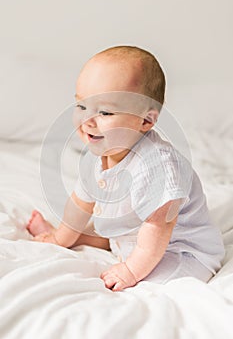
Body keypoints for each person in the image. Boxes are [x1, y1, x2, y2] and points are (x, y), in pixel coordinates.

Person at [27, 46, 225, 291]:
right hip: (132, 238)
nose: (87, 120)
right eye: (81, 106)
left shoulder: (156, 166)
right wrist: (60, 239)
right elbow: (81, 204)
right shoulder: (95, 154)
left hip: (178, 249)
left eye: (105, 112)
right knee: (106, 232)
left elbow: (158, 227)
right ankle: (63, 238)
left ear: (145, 121)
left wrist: (130, 271)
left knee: (155, 286)